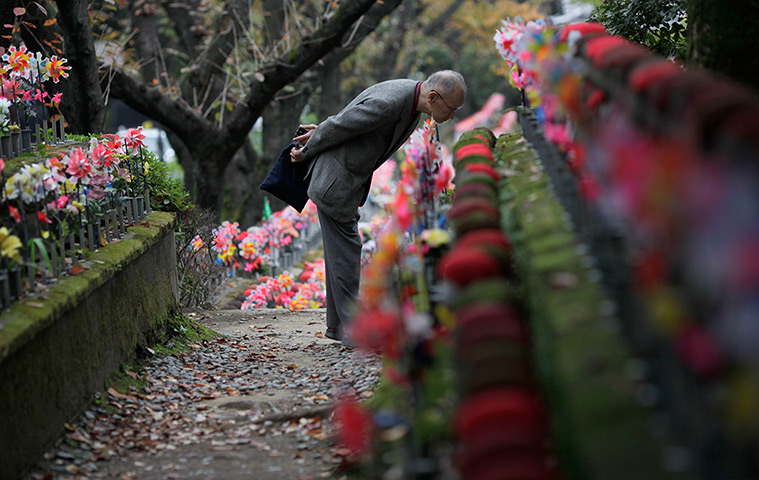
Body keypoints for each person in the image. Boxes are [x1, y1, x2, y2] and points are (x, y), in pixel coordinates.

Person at [290, 70, 466, 346]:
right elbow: (342, 124)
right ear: (433, 97)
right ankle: (352, 329)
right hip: (335, 182)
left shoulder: (411, 101)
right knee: (346, 251)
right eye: (452, 108)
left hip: (345, 181)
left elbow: (348, 120)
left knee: (340, 251)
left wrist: (319, 131)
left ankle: (340, 326)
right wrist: (308, 149)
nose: (452, 115)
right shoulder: (393, 101)